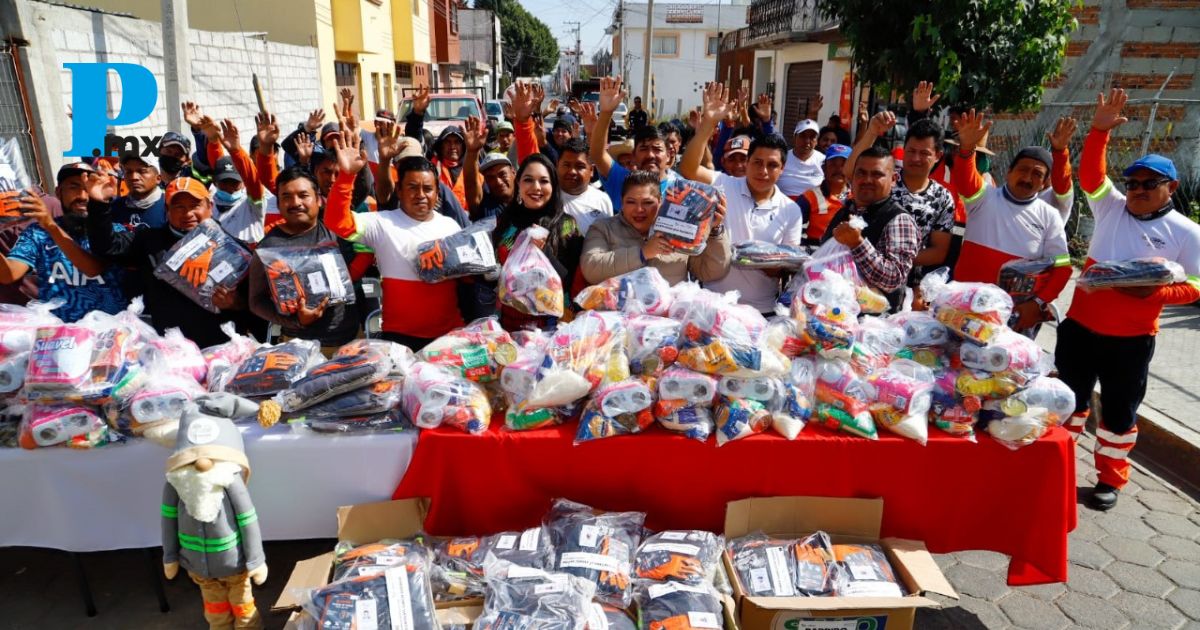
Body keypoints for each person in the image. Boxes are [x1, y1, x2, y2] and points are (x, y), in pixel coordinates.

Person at [1057, 89, 1200, 511]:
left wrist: (1155, 292)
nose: (1136, 190)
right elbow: (1090, 179)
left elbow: (1196, 284)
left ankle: (1109, 479)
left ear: (1170, 187)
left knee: (1119, 415)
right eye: (1132, 182)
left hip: (1131, 341)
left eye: (1148, 184)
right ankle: (1056, 467)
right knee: (1069, 402)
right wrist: (1099, 130)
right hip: (1081, 328)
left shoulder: (1186, 233)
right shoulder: (1112, 208)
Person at [324, 130, 464, 351]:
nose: (421, 194)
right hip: (400, 341)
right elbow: (336, 221)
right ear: (399, 190)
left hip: (448, 338)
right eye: (412, 187)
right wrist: (346, 176)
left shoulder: (451, 226)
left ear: (437, 193)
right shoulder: (382, 223)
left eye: (428, 189)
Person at [679, 83, 806, 315]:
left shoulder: (791, 211)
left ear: (783, 169)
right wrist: (707, 125)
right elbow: (688, 168)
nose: (763, 171)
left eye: (772, 165)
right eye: (757, 162)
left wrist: (763, 261)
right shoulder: (723, 185)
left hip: (762, 312)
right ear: (747, 163)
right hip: (713, 306)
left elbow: (787, 265)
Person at [86, 175, 248, 348]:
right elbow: (106, 247)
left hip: (220, 348)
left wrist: (235, 303)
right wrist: (98, 205)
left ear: (210, 206)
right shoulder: (148, 240)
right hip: (168, 351)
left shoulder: (235, 250)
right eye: (179, 207)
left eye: (195, 205)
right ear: (167, 210)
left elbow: (252, 305)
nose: (188, 213)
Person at [951, 109, 1072, 331]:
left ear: (1045, 183)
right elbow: (964, 178)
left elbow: (1063, 268)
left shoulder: (1050, 216)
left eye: (1037, 174)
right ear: (1008, 172)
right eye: (1022, 170)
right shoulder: (983, 196)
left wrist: (1037, 304)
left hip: (1012, 319)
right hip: (964, 306)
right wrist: (966, 150)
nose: (1027, 178)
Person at [248, 167, 361, 351]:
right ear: (278, 203)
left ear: (318, 199)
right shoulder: (267, 247)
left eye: (303, 195)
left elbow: (363, 192)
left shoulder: (336, 231)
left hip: (349, 341)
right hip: (298, 347)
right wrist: (296, 321)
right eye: (286, 197)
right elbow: (256, 301)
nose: (295, 203)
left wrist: (352, 170)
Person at [0, 163, 127, 321]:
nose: (82, 196)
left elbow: (94, 269)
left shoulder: (115, 232)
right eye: (74, 187)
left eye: (88, 187)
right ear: (59, 192)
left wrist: (50, 226)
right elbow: (8, 274)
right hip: (58, 336)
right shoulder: (38, 232)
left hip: (109, 334)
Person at [848, 113, 956, 287]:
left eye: (924, 153)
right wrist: (871, 132)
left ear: (938, 155)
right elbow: (851, 171)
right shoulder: (884, 178)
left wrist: (894, 261)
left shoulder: (943, 198)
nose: (915, 158)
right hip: (857, 271)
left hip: (908, 284)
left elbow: (938, 252)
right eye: (911, 151)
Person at [581, 170, 730, 285]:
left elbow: (712, 272)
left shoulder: (680, 230)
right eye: (631, 202)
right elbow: (591, 269)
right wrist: (643, 253)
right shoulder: (603, 228)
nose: (639, 209)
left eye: (647, 203)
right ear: (621, 202)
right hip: (619, 320)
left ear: (660, 201)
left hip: (667, 321)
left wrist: (715, 232)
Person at [491, 152, 583, 330]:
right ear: (518, 183)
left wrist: (544, 253)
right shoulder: (506, 220)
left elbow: (572, 279)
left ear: (553, 186)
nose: (536, 187)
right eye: (528, 180)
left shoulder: (566, 225)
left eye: (544, 181)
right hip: (508, 322)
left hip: (552, 324)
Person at [820, 145, 919, 310]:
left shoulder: (899, 219)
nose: (867, 180)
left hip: (871, 326)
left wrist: (858, 244)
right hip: (829, 314)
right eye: (861, 173)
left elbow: (893, 279)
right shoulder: (845, 211)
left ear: (893, 179)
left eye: (877, 174)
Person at [590, 77, 681, 210]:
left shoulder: (681, 188)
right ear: (634, 155)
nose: (650, 155)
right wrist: (606, 113)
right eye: (643, 148)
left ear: (668, 155)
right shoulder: (621, 180)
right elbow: (598, 154)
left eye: (657, 149)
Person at [375, 119, 470, 227]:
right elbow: (384, 195)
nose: (420, 195)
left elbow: (464, 226)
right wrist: (384, 160)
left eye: (427, 189)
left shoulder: (441, 190)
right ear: (396, 164)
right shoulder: (391, 186)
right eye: (405, 162)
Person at [403, 85, 475, 209]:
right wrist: (418, 113)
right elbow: (414, 140)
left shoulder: (472, 166)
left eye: (457, 142)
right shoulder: (431, 165)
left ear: (463, 146)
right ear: (440, 146)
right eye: (447, 142)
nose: (452, 146)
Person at [797, 143, 851, 246]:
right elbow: (791, 226)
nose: (839, 169)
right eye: (833, 164)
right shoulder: (810, 197)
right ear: (824, 168)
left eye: (844, 164)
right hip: (818, 253)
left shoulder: (858, 197)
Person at [462, 116, 515, 220]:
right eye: (490, 178)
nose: (498, 181)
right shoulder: (484, 206)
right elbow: (470, 183)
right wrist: (472, 153)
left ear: (513, 172)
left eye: (502, 174)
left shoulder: (528, 201)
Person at [110, 151, 165, 228]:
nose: (134, 177)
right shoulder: (114, 207)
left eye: (142, 171)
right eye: (128, 171)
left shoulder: (169, 207)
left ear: (158, 178)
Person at [776, 118, 824, 199]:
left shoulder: (823, 161)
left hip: (815, 208)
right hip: (784, 208)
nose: (807, 141)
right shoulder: (781, 158)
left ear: (816, 141)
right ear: (794, 137)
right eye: (803, 136)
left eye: (812, 137)